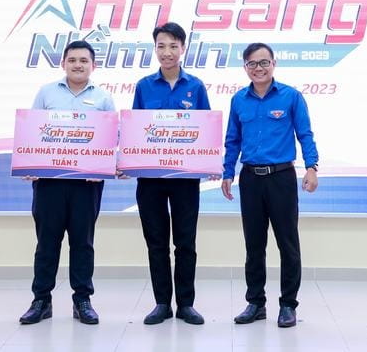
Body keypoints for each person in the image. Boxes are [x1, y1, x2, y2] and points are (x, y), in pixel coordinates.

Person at [221, 42, 319, 328]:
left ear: (274, 64)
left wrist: (311, 167)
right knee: (254, 245)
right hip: (250, 179)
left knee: (288, 244)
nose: (259, 68)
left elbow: (305, 134)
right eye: (252, 63)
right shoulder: (239, 100)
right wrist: (227, 172)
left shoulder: (291, 96)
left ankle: (288, 304)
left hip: (281, 178)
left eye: (264, 62)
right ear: (245, 68)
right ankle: (256, 303)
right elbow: (232, 140)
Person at [19, 40, 116, 325]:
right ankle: (41, 300)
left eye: (84, 61)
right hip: (50, 183)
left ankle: (82, 300)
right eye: (72, 60)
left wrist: (104, 166)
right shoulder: (46, 93)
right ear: (63, 63)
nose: (77, 65)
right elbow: (32, 131)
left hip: (87, 184)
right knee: (47, 242)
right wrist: (29, 163)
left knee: (83, 243)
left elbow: (112, 138)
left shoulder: (103, 98)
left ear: (93, 66)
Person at [132, 22, 212, 325]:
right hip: (150, 179)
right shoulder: (144, 86)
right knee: (156, 243)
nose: (167, 52)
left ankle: (186, 304)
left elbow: (205, 129)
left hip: (185, 179)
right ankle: (162, 303)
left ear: (183, 49)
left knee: (185, 243)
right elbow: (135, 131)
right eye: (161, 46)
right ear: (155, 49)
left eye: (173, 46)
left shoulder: (196, 87)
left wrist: (209, 162)